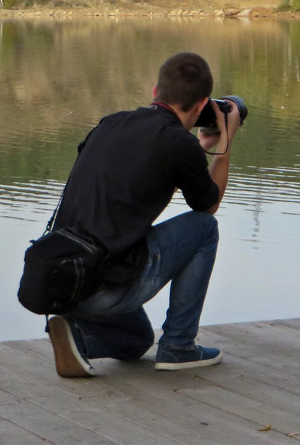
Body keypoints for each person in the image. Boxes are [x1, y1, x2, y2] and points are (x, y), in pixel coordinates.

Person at [42, 52, 242, 378]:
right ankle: (178, 347)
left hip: (66, 279)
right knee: (204, 227)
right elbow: (208, 204)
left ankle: (79, 339)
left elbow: (142, 171)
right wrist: (225, 143)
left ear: (154, 91)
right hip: (107, 286)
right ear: (203, 103)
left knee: (137, 341)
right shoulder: (177, 143)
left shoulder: (110, 123)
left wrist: (199, 147)